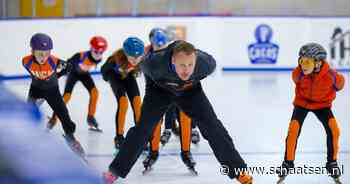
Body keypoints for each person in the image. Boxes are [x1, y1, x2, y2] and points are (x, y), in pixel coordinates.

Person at [103, 40, 253, 184]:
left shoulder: (206, 64)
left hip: (190, 91)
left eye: (190, 65)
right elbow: (138, 68)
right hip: (159, 91)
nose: (187, 70)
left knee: (213, 127)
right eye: (182, 65)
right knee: (143, 130)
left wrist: (189, 82)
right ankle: (115, 171)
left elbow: (203, 67)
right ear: (173, 61)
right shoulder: (153, 64)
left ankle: (239, 171)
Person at [276, 43, 345, 184]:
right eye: (301, 61)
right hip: (302, 103)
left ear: (318, 63)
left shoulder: (332, 77)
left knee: (334, 130)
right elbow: (296, 78)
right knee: (293, 129)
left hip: (322, 105)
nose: (303, 65)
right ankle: (288, 162)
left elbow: (340, 85)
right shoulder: (298, 74)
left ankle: (332, 163)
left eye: (307, 61)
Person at [142, 28, 196, 174]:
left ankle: (186, 152)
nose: (161, 50)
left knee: (185, 115)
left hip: (177, 88)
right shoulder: (147, 56)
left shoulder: (174, 52)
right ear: (151, 44)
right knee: (155, 118)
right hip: (158, 91)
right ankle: (153, 152)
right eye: (158, 46)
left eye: (163, 46)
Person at [22, 33, 85, 157]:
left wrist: (58, 75)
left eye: (46, 53)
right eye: (40, 53)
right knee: (27, 114)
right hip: (35, 90)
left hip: (52, 91)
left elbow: (68, 67)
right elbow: (33, 72)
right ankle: (25, 135)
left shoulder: (54, 61)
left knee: (63, 114)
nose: (43, 57)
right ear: (32, 51)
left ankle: (71, 137)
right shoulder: (26, 61)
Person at [47, 36, 108, 132]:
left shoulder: (99, 59)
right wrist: (57, 75)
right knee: (66, 96)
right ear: (91, 48)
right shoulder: (80, 56)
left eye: (101, 52)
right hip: (73, 74)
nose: (98, 55)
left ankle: (91, 117)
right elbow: (67, 65)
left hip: (84, 75)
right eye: (96, 51)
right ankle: (54, 118)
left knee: (95, 92)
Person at [101, 37, 144, 151]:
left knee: (137, 103)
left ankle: (140, 136)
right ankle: (119, 137)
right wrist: (108, 78)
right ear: (125, 54)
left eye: (138, 57)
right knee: (123, 103)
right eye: (132, 57)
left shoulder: (142, 59)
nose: (135, 60)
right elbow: (104, 70)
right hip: (114, 77)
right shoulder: (115, 59)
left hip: (128, 77)